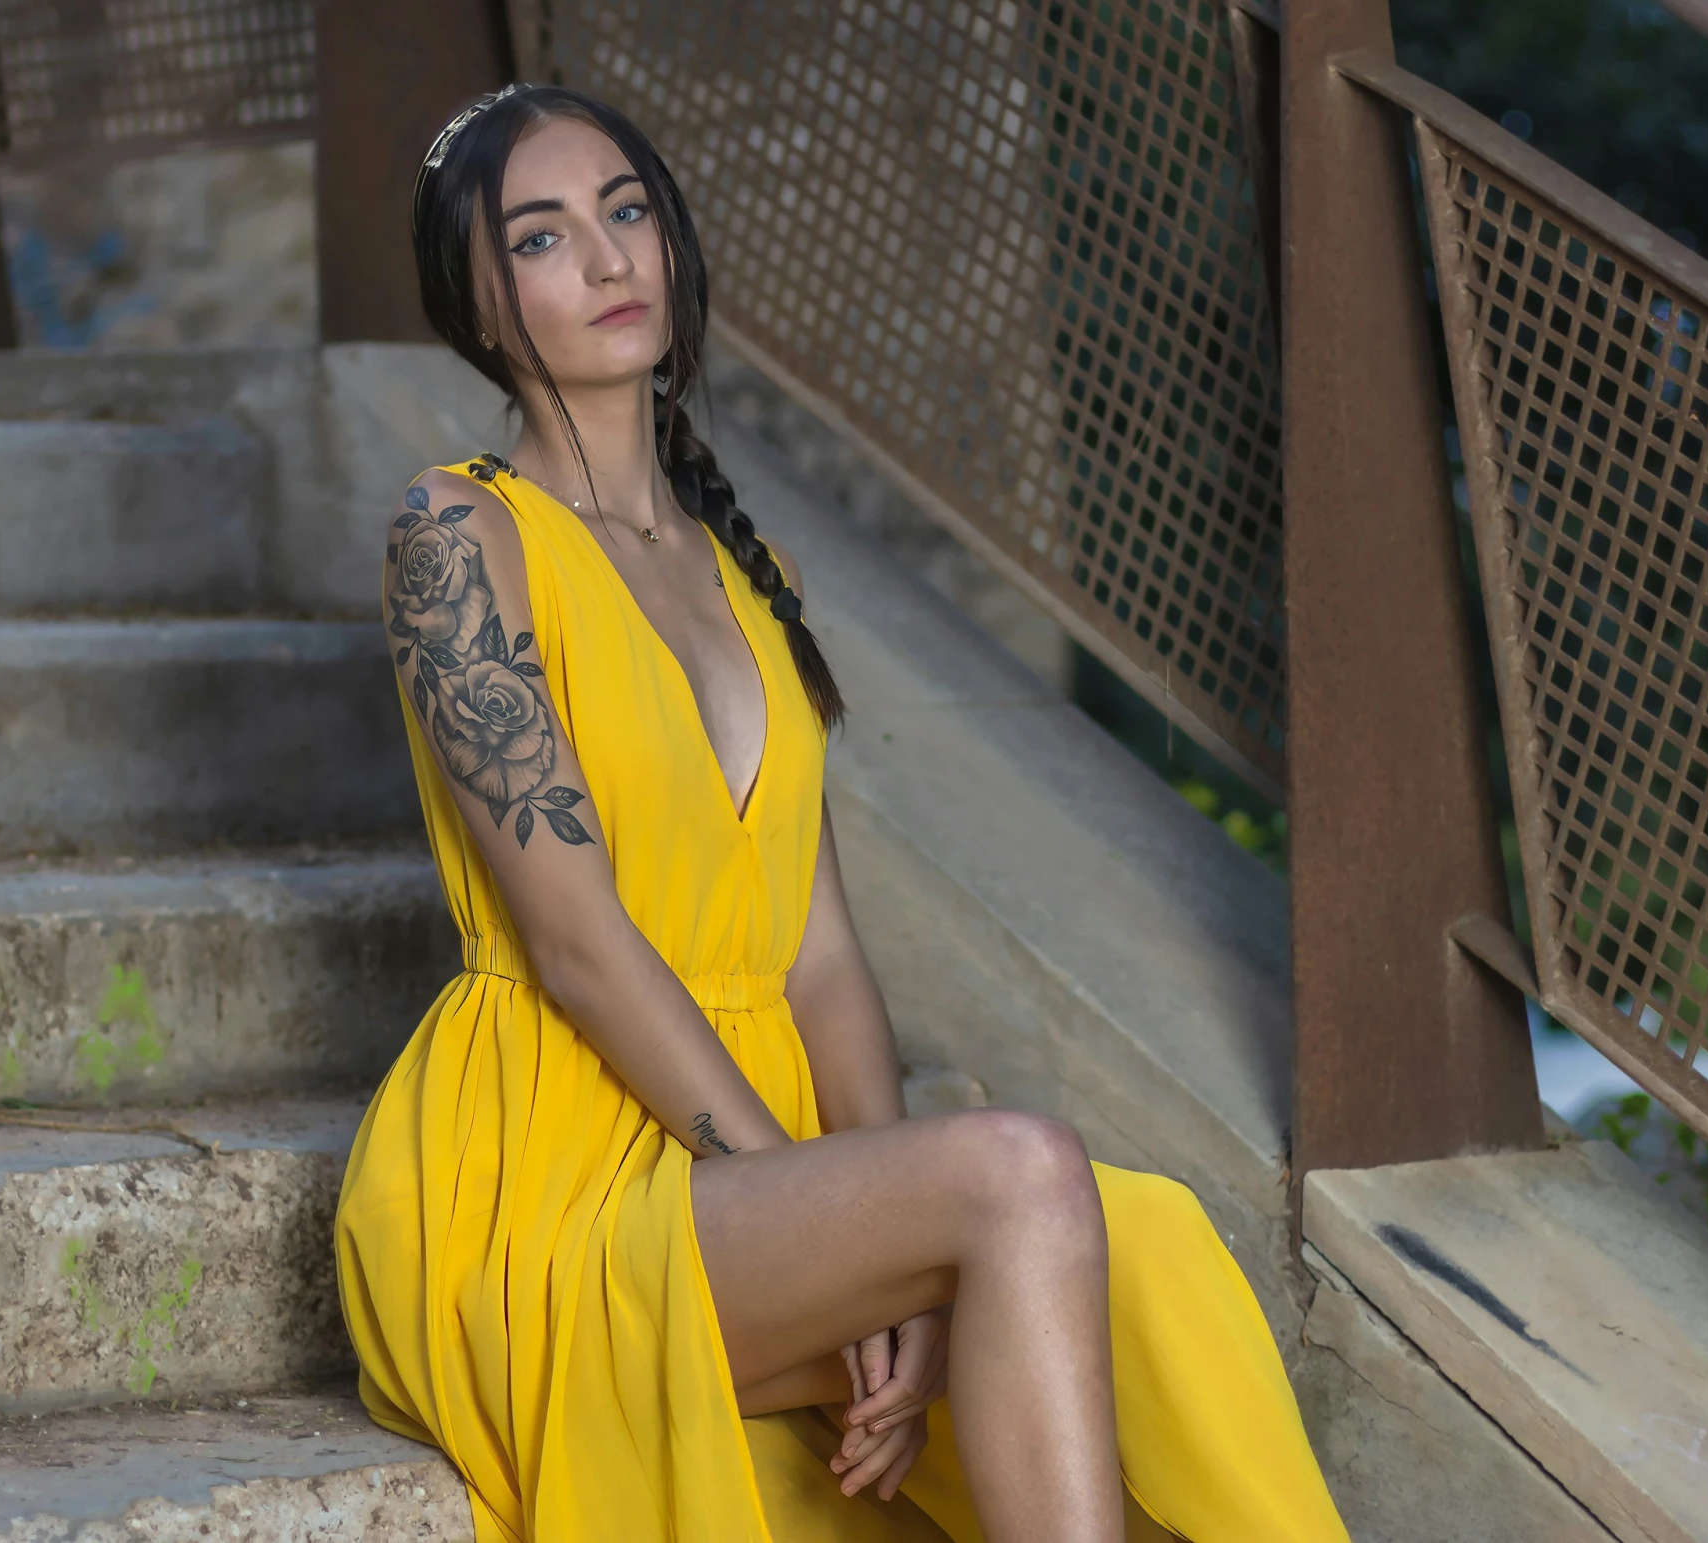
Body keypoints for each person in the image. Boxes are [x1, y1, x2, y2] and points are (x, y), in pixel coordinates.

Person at [333, 80, 1352, 1543]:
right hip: (545, 1170)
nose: (611, 260)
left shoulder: (752, 578)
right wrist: (853, 1213)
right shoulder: (458, 534)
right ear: (479, 302)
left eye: (627, 212)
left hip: (766, 1166)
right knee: (1020, 1172)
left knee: (1132, 1247)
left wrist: (888, 1234)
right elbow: (577, 944)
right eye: (545, 237)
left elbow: (815, 955)